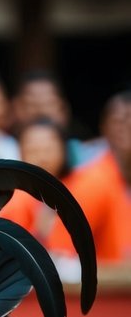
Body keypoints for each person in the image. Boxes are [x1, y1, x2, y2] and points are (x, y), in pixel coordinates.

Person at [38, 90, 131, 267]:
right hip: (106, 291)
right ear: (105, 127)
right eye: (120, 121)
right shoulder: (93, 182)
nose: (126, 127)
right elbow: (60, 255)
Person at [0, 118, 73, 247]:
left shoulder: (79, 187)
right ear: (21, 152)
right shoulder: (13, 199)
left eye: (48, 150)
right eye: (33, 150)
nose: (42, 157)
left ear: (63, 150)